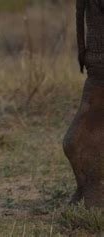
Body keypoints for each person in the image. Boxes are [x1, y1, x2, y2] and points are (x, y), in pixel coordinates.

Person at [63, 0, 104, 208]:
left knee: (77, 140)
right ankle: (89, 191)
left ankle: (93, 194)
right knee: (73, 141)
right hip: (97, 64)